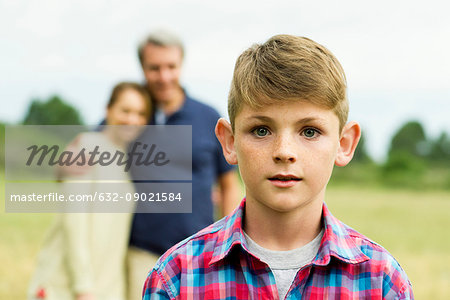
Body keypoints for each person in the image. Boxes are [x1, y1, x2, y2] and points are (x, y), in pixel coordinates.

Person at [142, 35, 414, 299]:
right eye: (261, 130)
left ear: (344, 143)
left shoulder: (381, 281)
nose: (284, 152)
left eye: (309, 132)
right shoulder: (176, 279)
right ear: (229, 141)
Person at [126, 29, 242, 299]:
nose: (164, 76)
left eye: (171, 67)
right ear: (142, 68)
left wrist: (229, 241)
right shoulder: (130, 116)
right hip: (142, 254)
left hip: (201, 254)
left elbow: (228, 184)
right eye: (154, 68)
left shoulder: (207, 117)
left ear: (181, 65)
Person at [28, 82, 151, 300]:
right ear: (108, 110)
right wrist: (83, 288)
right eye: (126, 111)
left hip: (105, 288)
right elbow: (74, 222)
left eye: (140, 113)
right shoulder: (86, 147)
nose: (132, 119)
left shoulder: (126, 157)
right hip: (67, 287)